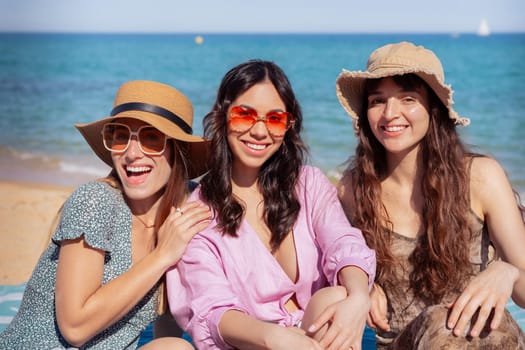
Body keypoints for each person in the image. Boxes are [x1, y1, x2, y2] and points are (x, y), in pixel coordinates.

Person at [165, 59, 376, 350]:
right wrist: (275, 337)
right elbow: (213, 310)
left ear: (289, 125)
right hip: (253, 344)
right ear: (222, 116)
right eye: (244, 115)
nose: (260, 131)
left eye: (275, 118)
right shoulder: (201, 211)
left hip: (318, 339)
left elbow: (343, 243)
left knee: (338, 297)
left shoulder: (309, 186)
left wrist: (359, 296)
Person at [335, 41, 525, 348]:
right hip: (403, 344)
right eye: (377, 101)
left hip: (481, 341)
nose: (390, 113)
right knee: (437, 324)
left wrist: (508, 271)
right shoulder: (354, 190)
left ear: (433, 107)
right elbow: (326, 269)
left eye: (408, 98)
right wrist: (361, 284)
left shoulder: (480, 177)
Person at [0, 80, 212, 349]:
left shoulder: (186, 207)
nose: (132, 153)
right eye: (121, 136)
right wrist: (162, 256)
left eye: (151, 138)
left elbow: (171, 313)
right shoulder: (96, 201)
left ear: (177, 151)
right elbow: (74, 328)